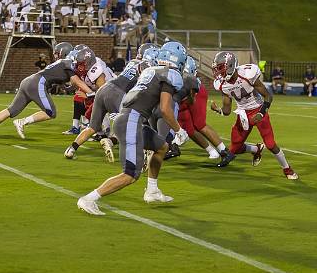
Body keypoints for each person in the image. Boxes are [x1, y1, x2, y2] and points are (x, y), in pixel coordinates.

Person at [76, 47, 190, 215]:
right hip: (131, 121)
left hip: (129, 118)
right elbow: (165, 109)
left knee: (161, 147)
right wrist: (179, 130)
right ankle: (89, 199)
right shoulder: (171, 74)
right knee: (130, 174)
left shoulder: (150, 70)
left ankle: (152, 190)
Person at [0, 46, 96, 141]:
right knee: (51, 112)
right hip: (37, 83)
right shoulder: (68, 63)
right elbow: (75, 80)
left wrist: (74, 88)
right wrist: (91, 92)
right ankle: (22, 122)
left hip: (28, 81)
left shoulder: (61, 63)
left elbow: (66, 84)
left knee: (11, 109)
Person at [210, 51, 298, 179]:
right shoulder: (223, 84)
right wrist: (218, 109)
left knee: (271, 144)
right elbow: (227, 110)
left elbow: (268, 96)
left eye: (220, 68)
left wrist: (261, 114)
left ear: (230, 65)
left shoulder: (247, 74)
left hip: (258, 109)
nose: (218, 72)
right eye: (217, 68)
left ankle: (288, 170)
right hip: (243, 114)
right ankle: (256, 149)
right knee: (235, 148)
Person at [65, 44, 157, 162]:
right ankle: (138, 154)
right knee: (129, 124)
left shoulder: (133, 61)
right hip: (118, 93)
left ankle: (71, 149)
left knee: (92, 127)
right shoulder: (148, 68)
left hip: (105, 89)